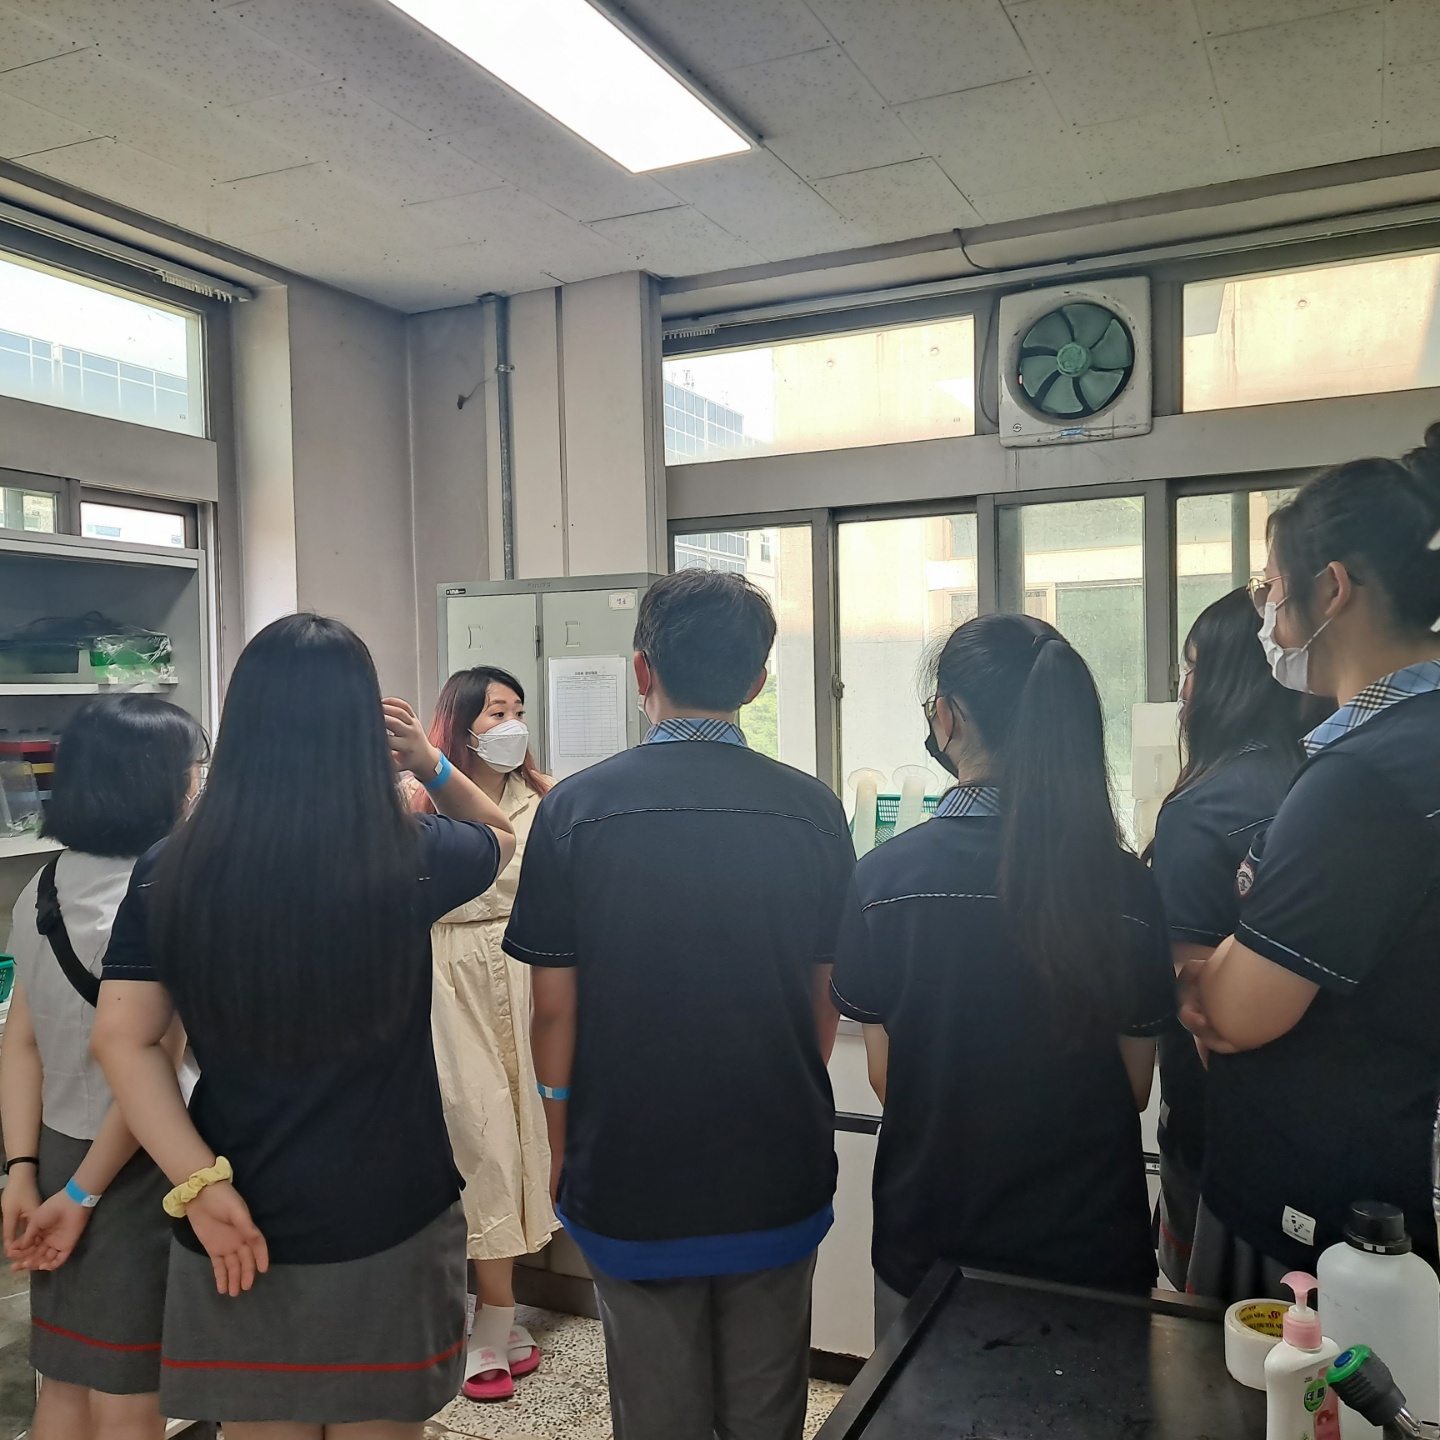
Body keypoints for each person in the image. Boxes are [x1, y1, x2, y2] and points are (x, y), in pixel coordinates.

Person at [90, 613, 516, 1440]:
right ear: (363, 731)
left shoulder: (171, 867)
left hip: (237, 1216)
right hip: (390, 1211)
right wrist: (428, 761)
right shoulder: (410, 853)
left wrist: (200, 1187)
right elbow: (501, 835)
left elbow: (123, 1040)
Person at [502, 568, 853, 1440]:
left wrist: (558, 1136)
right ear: (758, 681)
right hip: (775, 1154)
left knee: (655, 1406)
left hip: (630, 1159)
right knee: (769, 1403)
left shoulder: (575, 810)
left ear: (641, 670)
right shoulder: (813, 811)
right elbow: (825, 999)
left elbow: (555, 1010)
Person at [830, 614, 1176, 1341]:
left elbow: (887, 1075)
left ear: (947, 718)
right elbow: (1134, 1085)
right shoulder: (1125, 887)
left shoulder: (885, 881)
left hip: (931, 1242)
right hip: (1089, 1246)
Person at [1182, 424, 1440, 1299]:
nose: (1266, 613)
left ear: (1332, 588)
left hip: (1328, 1220)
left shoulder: (1365, 778)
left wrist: (1217, 965)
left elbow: (1232, 1012)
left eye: (1271, 589)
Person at [0, 696, 205, 1440]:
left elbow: (21, 1042)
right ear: (156, 780)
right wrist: (85, 1195)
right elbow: (151, 1070)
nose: (200, 782)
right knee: (129, 1392)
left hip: (56, 1152)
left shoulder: (44, 886)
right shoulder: (161, 894)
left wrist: (23, 1171)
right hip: (138, 1166)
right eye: (194, 767)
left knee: (67, 1377)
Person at [1147, 588, 1308, 1289]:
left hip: (1225, 1141)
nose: (1184, 691)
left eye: (1192, 668)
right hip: (1320, 1126)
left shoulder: (1204, 807)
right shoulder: (1316, 779)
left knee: (1215, 1331)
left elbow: (1201, 1003)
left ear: (1228, 680)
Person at [408, 667, 560, 1402]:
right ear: (460, 722)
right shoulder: (417, 799)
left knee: (528, 1136)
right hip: (444, 975)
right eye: (496, 711)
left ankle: (496, 1315)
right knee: (477, 1135)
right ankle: (492, 1318)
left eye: (518, 710)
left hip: (527, 973)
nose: (511, 724)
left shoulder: (546, 799)